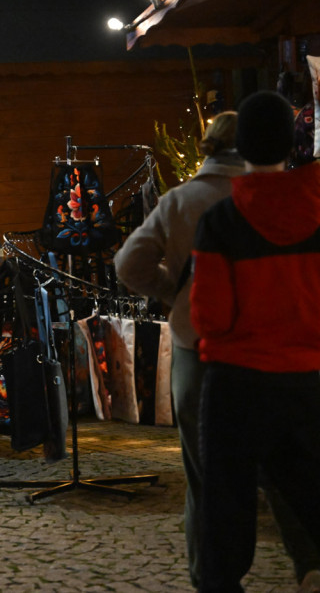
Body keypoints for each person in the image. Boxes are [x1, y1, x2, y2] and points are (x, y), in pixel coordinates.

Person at [115, 111, 320, 590]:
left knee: (208, 474)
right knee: (291, 466)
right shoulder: (288, 199)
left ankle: (209, 574)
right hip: (282, 351)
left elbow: (129, 264)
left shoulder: (181, 200)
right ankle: (309, 561)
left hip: (199, 348)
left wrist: (172, 294)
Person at [190, 91, 320, 593]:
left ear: (239, 146)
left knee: (226, 509)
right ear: (292, 144)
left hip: (236, 383)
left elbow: (211, 318)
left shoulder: (221, 222)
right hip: (305, 379)